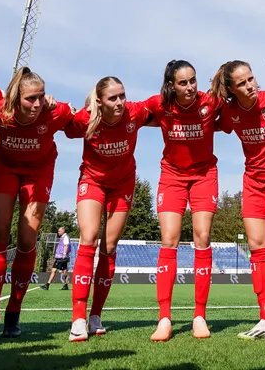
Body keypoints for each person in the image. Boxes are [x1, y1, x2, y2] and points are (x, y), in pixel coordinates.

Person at [0, 67, 73, 342]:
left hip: (38, 172)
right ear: (14, 98)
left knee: (27, 238)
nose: (38, 104)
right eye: (31, 98)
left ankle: (13, 313)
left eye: (41, 96)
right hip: (4, 167)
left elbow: (79, 120)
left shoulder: (54, 112)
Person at [60, 77, 157, 342]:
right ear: (99, 101)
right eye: (113, 98)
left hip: (122, 184)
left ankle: (95, 315)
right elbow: (65, 126)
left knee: (109, 246)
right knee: (89, 238)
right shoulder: (86, 119)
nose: (120, 102)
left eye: (122, 96)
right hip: (92, 181)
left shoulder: (135, 113)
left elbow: (161, 107)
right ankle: (78, 319)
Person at [212, 61, 265, 346]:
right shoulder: (231, 112)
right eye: (242, 83)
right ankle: (263, 319)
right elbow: (211, 122)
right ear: (231, 89)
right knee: (257, 248)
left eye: (251, 78)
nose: (250, 85)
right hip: (252, 182)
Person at [146, 60, 223, 342]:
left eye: (193, 80)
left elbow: (238, 99)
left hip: (204, 175)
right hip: (172, 176)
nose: (190, 87)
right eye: (183, 82)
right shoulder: (159, 104)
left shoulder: (210, 102)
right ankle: (164, 319)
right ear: (171, 85)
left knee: (202, 237)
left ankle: (199, 316)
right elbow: (130, 112)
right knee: (169, 239)